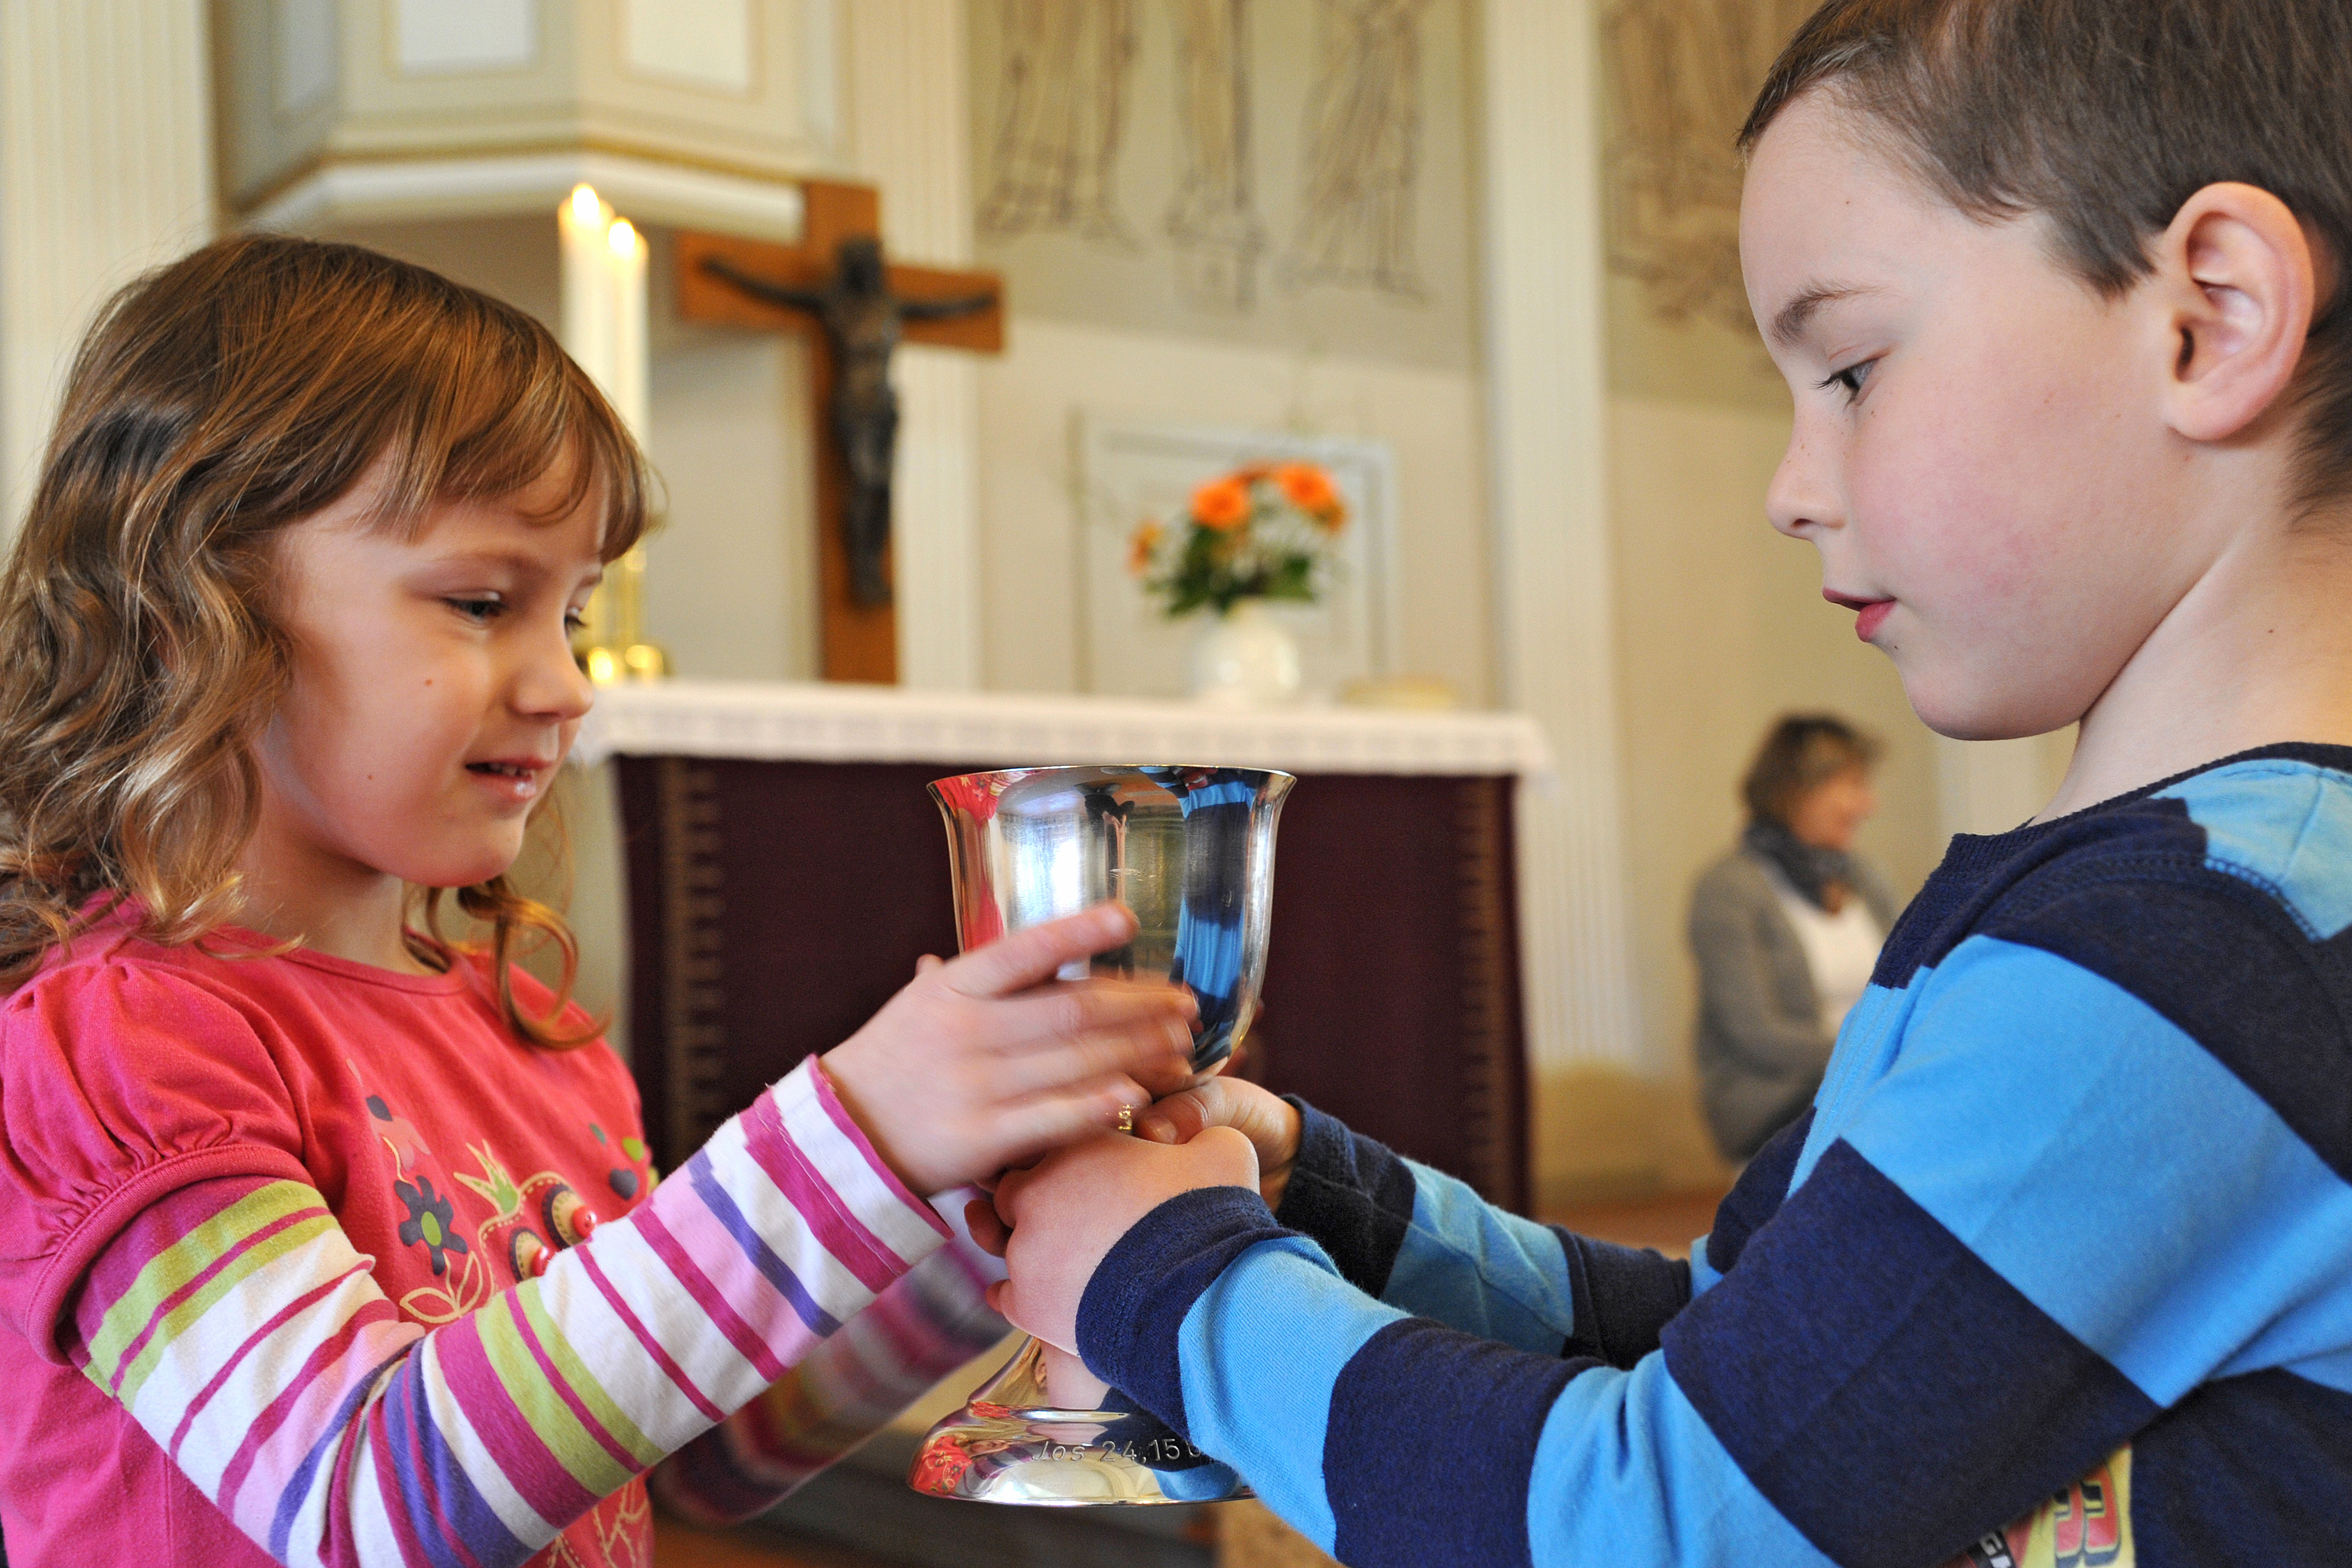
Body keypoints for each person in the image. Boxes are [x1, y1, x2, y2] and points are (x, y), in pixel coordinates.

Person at [972, 2, 2352, 1562]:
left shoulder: (2196, 948)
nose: (1787, 487)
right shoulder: (2193, 904)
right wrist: (1322, 1201)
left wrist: (1170, 1282)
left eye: (1847, 367)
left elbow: (1659, 1524)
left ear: (2210, 319)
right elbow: (1730, 1346)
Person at [0, 236, 1199, 1568]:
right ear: (186, 611)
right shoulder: (115, 1052)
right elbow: (362, 1501)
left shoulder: (529, 1040)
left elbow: (692, 1458)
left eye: (573, 613)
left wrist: (963, 1221)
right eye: (480, 601)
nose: (567, 684)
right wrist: (853, 1135)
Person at [1690, 715, 1897, 1161]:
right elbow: (1757, 1034)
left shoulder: (1866, 879)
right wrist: (1878, 1054)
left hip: (1869, 1082)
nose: (1869, 804)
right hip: (1775, 1099)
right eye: (1853, 784)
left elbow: (1911, 987)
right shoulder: (1730, 888)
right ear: (1797, 790)